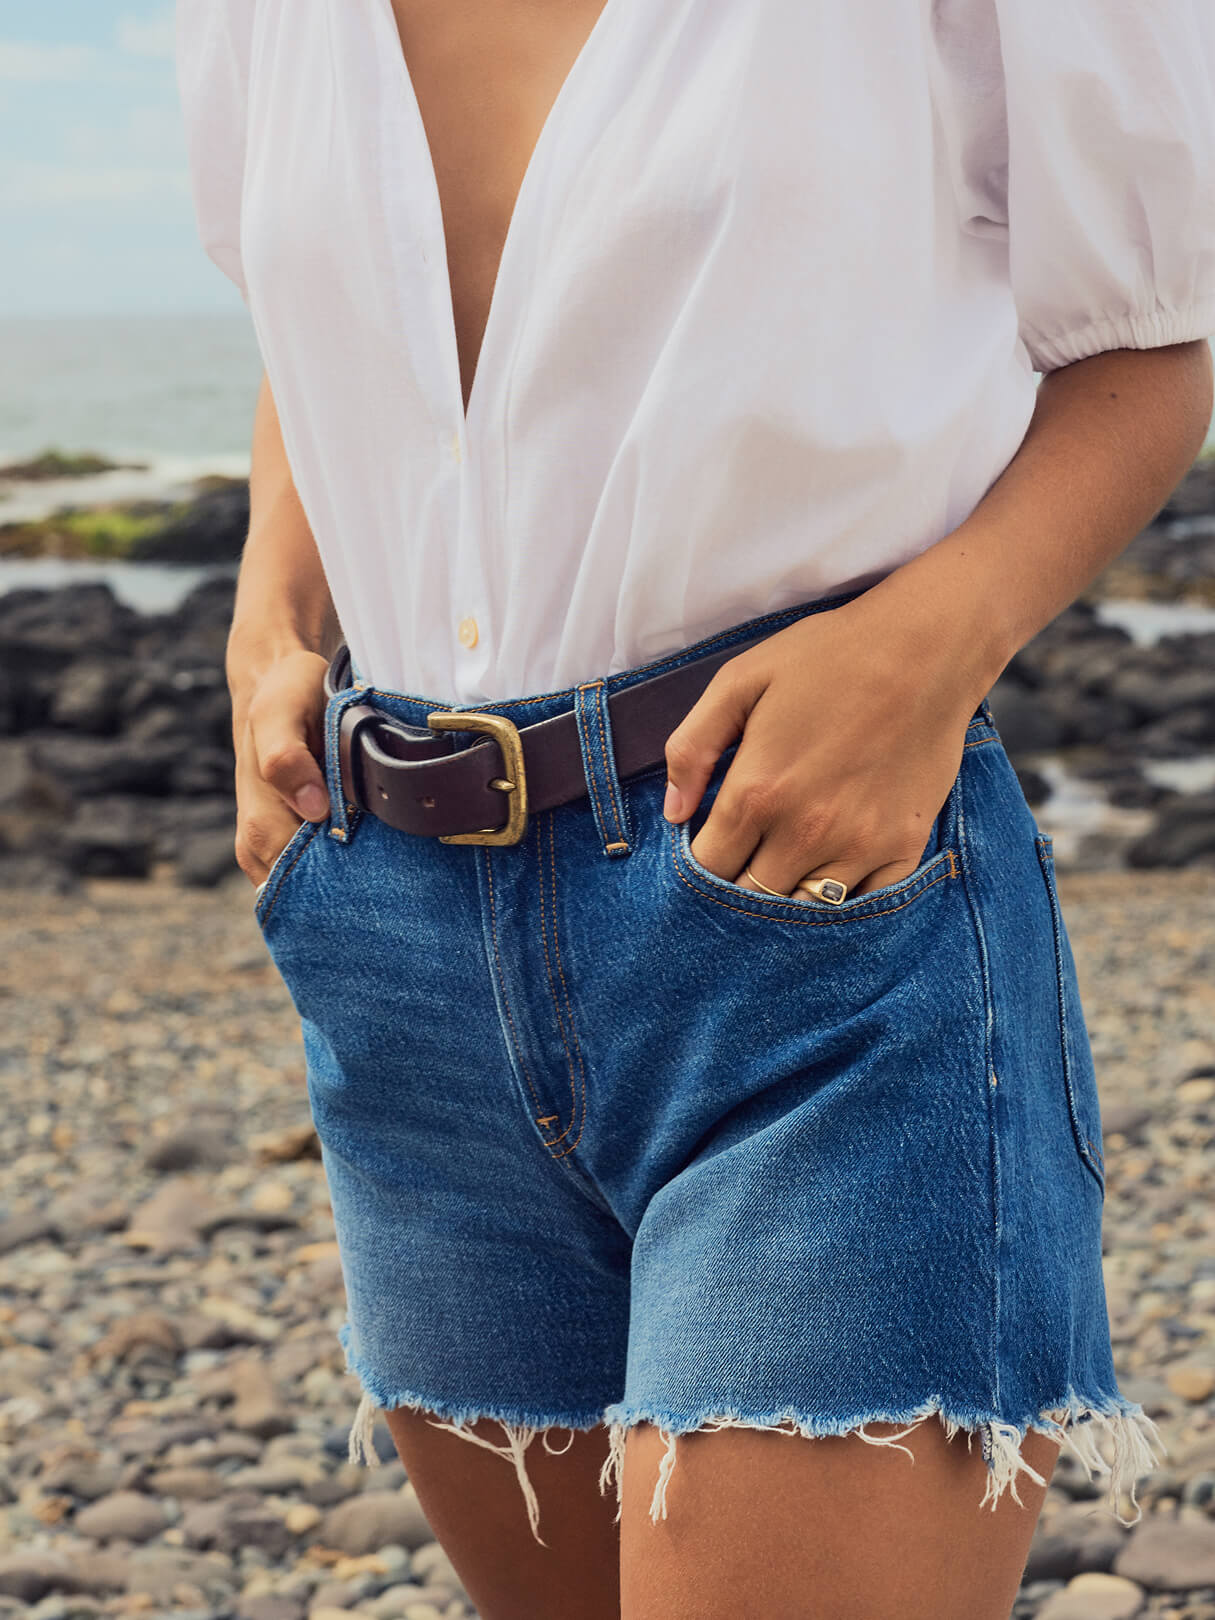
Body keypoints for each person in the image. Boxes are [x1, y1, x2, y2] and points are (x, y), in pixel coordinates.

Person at [175, 2, 1215, 1615]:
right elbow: (322, 343)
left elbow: (1151, 337)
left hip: (801, 903)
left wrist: (932, 642)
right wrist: (270, 620)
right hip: (401, 943)